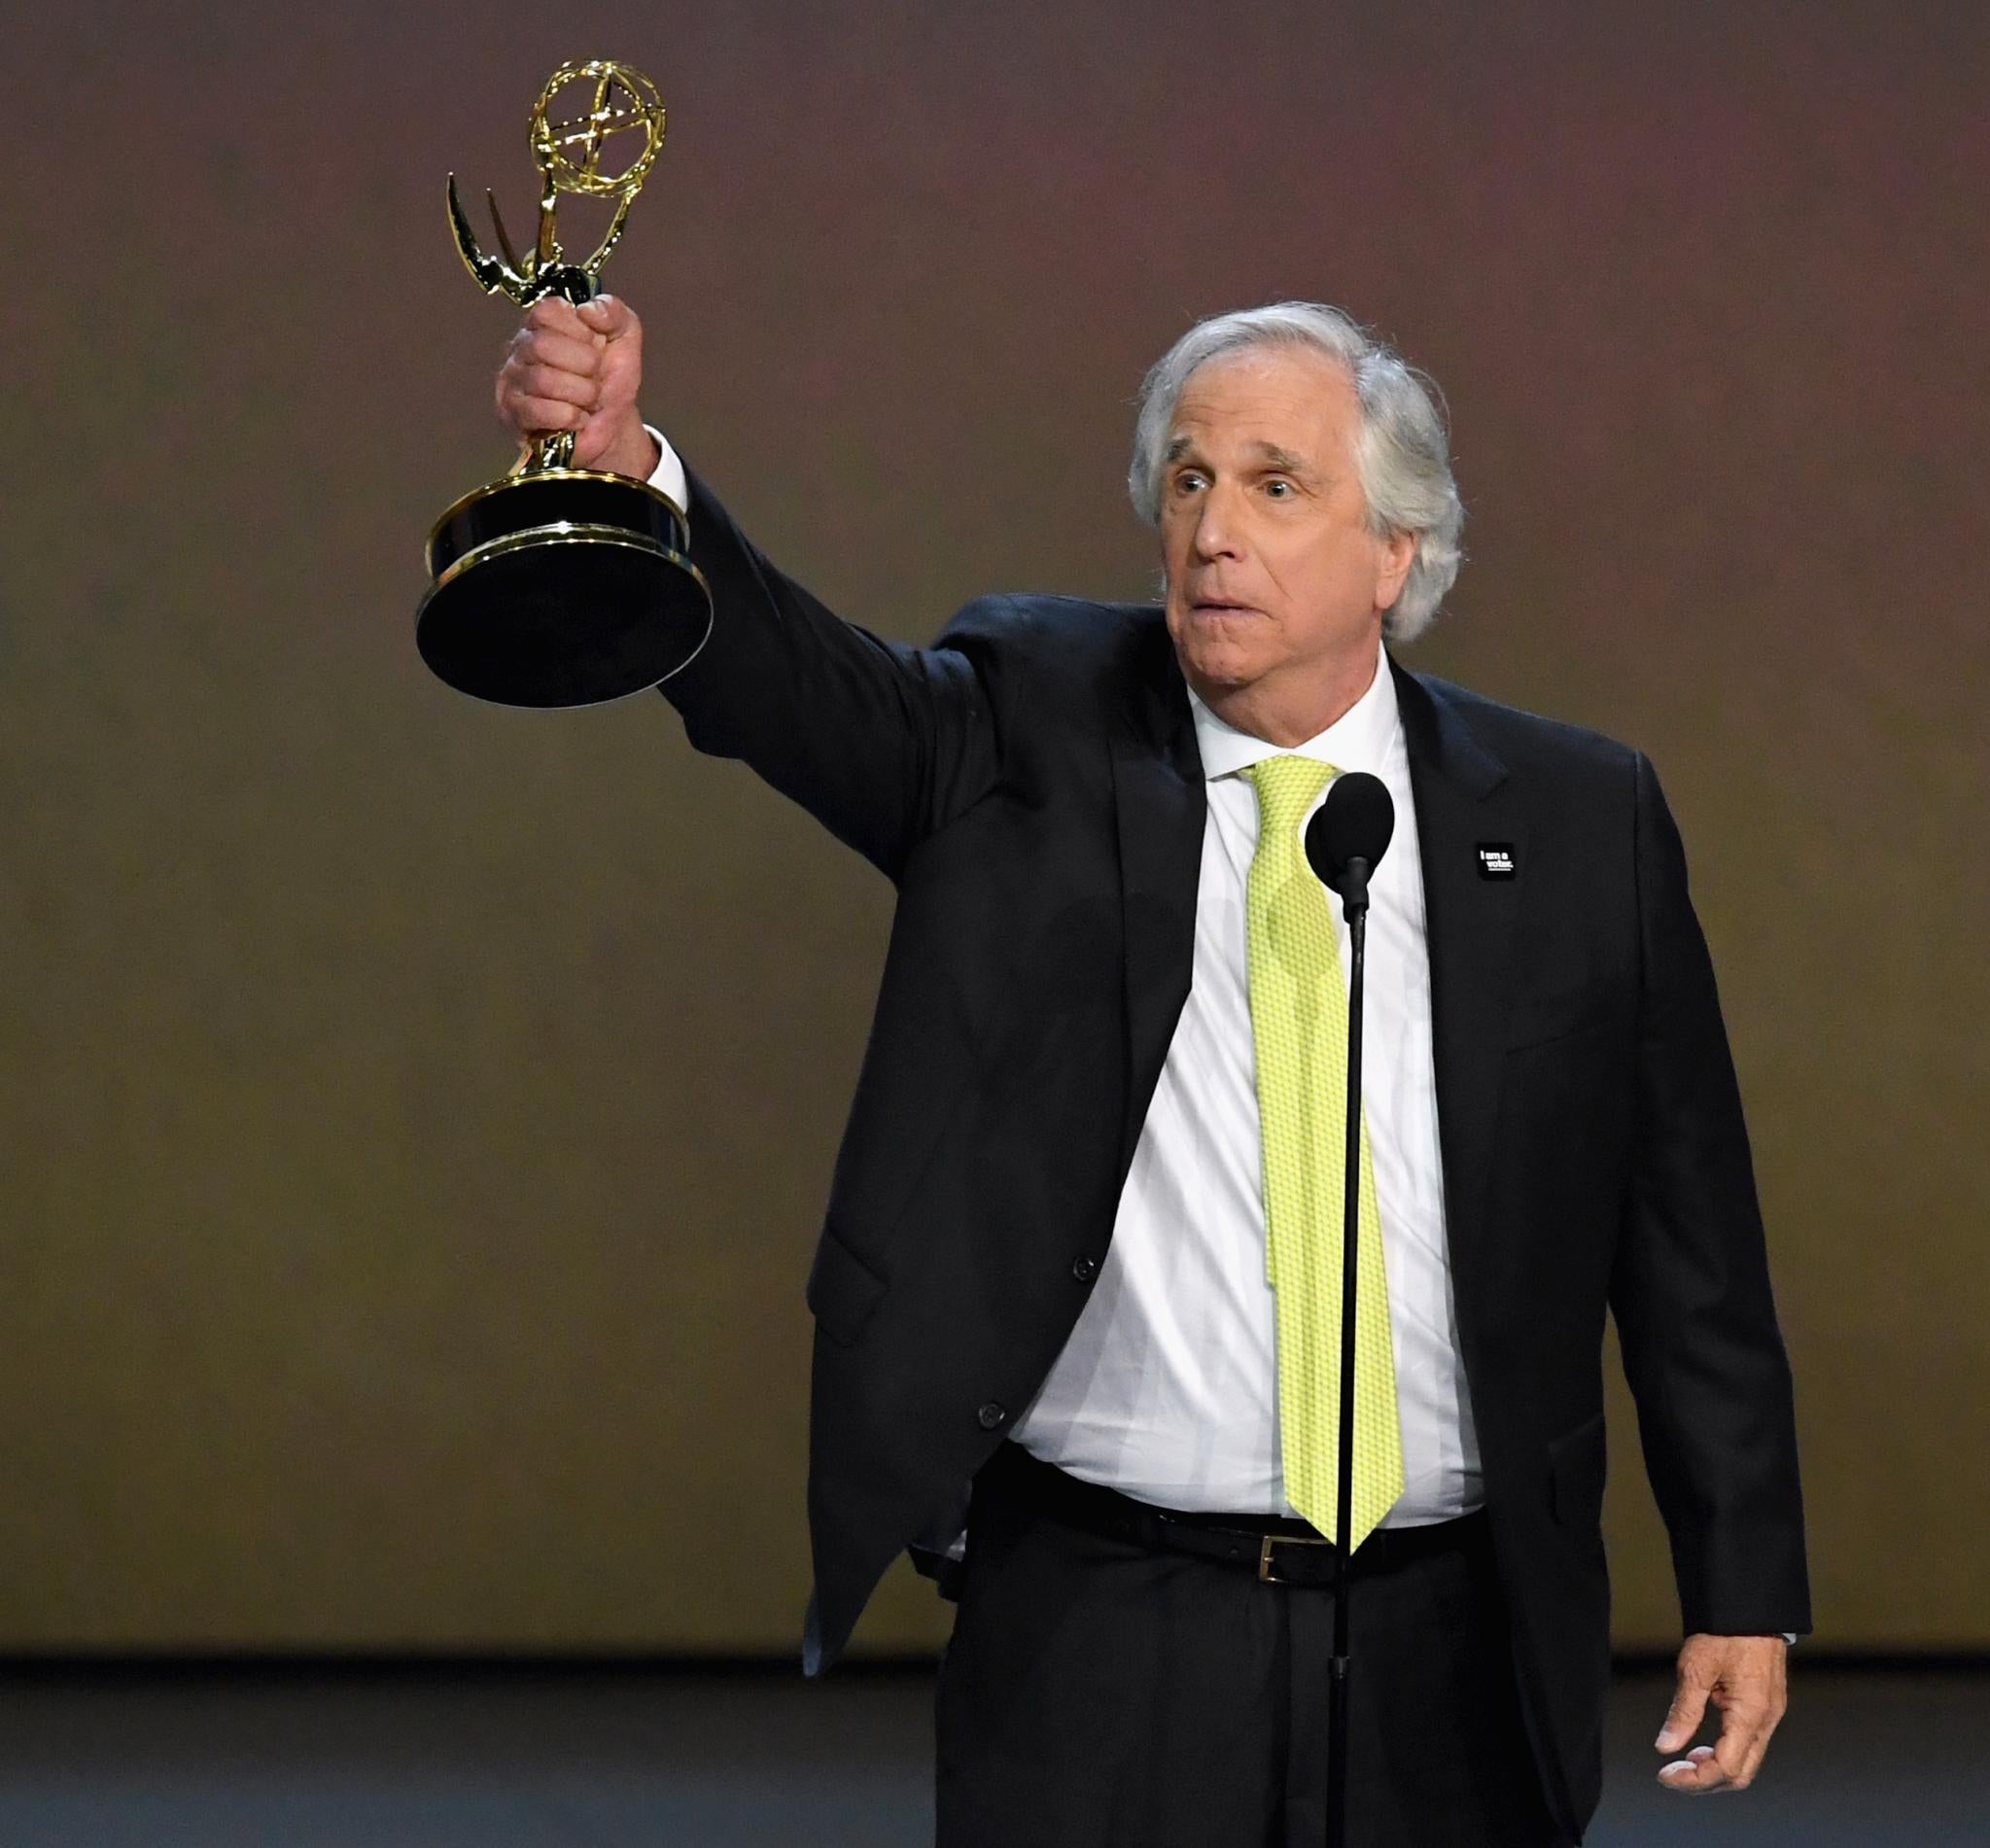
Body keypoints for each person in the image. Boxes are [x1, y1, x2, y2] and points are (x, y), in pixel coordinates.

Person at [489, 291, 1812, 1844]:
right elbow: (796, 688)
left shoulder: (1584, 820)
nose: (1211, 531)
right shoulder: (1027, 734)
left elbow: (1688, 1243)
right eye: (1185, 481)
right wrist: (626, 473)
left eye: (1274, 483)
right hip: (1104, 1631)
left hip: (1452, 1638)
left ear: (1399, 553)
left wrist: (1741, 1581)